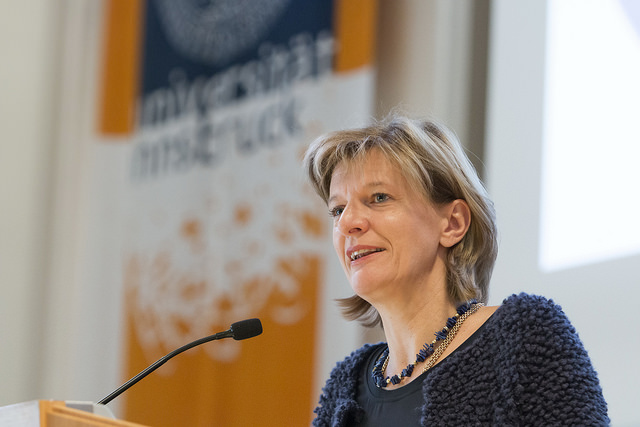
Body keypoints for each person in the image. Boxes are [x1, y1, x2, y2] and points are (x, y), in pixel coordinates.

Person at [303, 115, 609, 426]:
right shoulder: (345, 383)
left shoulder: (522, 339)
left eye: (379, 198)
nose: (347, 223)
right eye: (338, 209)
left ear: (453, 224)